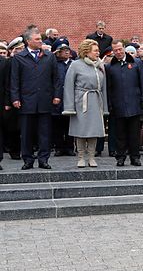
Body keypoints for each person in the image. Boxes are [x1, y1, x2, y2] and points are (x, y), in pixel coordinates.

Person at [9, 27, 63, 170]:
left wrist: (57, 95)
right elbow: (14, 80)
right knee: (26, 133)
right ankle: (27, 159)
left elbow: (56, 79)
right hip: (26, 101)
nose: (41, 41)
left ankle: (43, 159)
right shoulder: (19, 58)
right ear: (28, 41)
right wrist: (15, 98)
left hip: (45, 100)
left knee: (45, 133)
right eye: (37, 39)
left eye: (40, 38)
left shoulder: (49, 56)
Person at [61, 39, 109, 168]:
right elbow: (69, 85)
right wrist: (70, 107)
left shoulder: (100, 65)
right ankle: (81, 157)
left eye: (98, 50)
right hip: (81, 102)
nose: (98, 53)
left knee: (94, 131)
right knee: (81, 131)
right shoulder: (76, 65)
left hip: (96, 101)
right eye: (95, 50)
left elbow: (103, 88)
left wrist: (104, 107)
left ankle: (92, 157)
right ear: (86, 52)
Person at [106, 39, 143, 166]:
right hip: (118, 105)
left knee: (134, 133)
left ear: (124, 48)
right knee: (120, 133)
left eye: (120, 49)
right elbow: (108, 88)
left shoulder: (136, 63)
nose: (118, 52)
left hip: (134, 103)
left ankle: (135, 157)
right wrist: (110, 104)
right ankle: (120, 156)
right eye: (115, 50)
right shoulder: (110, 66)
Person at [51, 38, 75, 157]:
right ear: (57, 52)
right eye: (63, 50)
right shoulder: (53, 64)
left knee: (70, 124)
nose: (66, 52)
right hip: (57, 98)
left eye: (67, 49)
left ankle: (70, 147)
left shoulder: (74, 64)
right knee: (57, 125)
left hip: (70, 99)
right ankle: (59, 147)